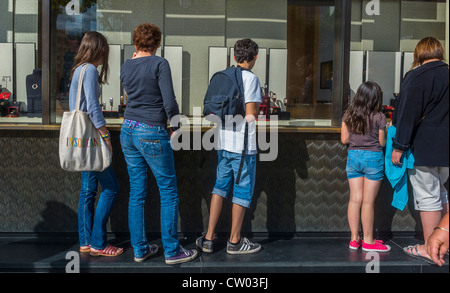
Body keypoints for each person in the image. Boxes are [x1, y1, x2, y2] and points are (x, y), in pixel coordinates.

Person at [120, 23, 197, 264]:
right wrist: (175, 125)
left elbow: (130, 95)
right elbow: (169, 101)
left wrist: (134, 63)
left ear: (135, 44)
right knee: (168, 192)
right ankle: (173, 251)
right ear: (157, 44)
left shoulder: (126, 65)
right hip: (151, 129)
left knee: (137, 193)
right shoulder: (160, 63)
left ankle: (140, 249)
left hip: (128, 129)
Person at [196, 38, 262, 255]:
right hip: (243, 146)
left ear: (234, 57)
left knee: (219, 188)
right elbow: (251, 115)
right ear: (254, 58)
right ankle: (234, 242)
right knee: (242, 190)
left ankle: (208, 238)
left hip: (223, 142)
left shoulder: (224, 76)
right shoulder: (251, 79)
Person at [391, 37, 449, 264]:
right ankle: (445, 243)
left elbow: (406, 115)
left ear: (419, 53)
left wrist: (399, 146)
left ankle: (429, 246)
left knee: (427, 197)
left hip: (423, 146)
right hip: (446, 148)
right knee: (442, 192)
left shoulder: (416, 76)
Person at [69, 31, 122, 257]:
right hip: (92, 138)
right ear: (99, 50)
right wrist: (106, 137)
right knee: (111, 187)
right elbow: (92, 108)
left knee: (88, 191)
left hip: (82, 139)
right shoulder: (89, 70)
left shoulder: (78, 70)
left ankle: (86, 242)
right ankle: (99, 243)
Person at [341, 81, 391, 252]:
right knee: (368, 202)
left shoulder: (349, 114)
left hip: (353, 157)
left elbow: (344, 140)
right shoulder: (380, 117)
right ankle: (368, 241)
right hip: (373, 158)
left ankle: (354, 239)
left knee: (355, 199)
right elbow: (382, 143)